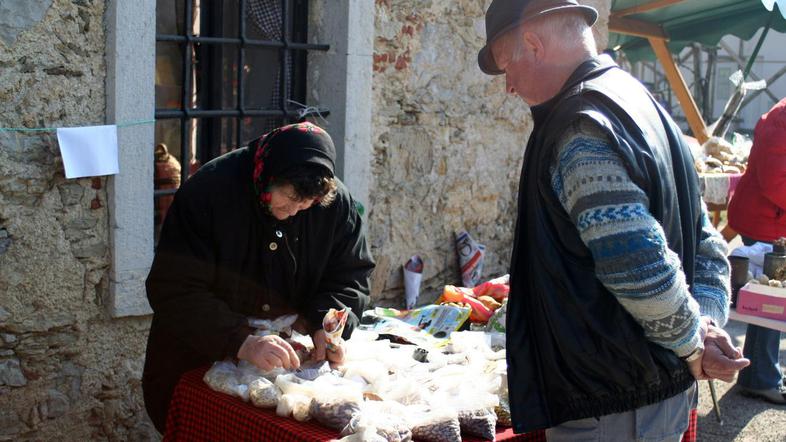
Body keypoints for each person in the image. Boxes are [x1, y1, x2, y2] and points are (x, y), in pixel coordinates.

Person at [477, 0, 750, 439]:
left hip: (615, 401)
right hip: (654, 392)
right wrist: (704, 328)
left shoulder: (581, 126)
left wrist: (696, 343)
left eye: (508, 65)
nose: (508, 85)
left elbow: (638, 263)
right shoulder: (648, 105)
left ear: (532, 43)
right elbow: (707, 242)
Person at [142, 122, 374, 432]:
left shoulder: (334, 204)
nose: (295, 211)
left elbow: (350, 274)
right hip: (199, 354)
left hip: (288, 363)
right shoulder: (208, 192)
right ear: (267, 177)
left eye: (307, 205)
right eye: (289, 200)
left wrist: (326, 324)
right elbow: (174, 288)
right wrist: (241, 341)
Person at [727, 97, 786, 404]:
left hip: (770, 221)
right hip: (764, 223)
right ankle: (761, 376)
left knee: (770, 303)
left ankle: (759, 373)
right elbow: (775, 182)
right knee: (770, 303)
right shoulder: (782, 120)